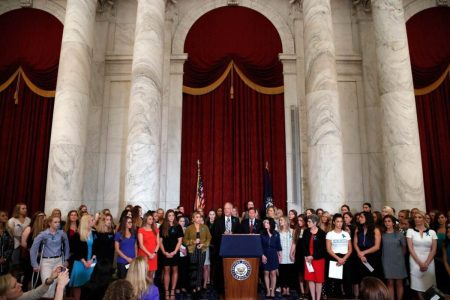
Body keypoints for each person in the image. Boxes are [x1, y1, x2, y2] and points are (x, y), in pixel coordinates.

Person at [29, 215, 70, 298]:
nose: (58, 224)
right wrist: (34, 264)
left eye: (59, 222)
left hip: (58, 260)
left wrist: (66, 259)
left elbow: (67, 246)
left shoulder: (62, 233)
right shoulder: (43, 234)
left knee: (55, 284)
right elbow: (33, 249)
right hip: (46, 262)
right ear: (49, 223)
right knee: (47, 283)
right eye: (55, 222)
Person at [406, 210, 437, 297]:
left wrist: (426, 263)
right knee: (418, 284)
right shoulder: (410, 231)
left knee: (429, 284)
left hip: (429, 261)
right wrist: (420, 263)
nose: (417, 219)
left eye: (419, 217)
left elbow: (433, 250)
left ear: (424, 219)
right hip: (415, 260)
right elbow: (410, 248)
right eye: (415, 217)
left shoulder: (432, 232)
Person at [212, 202, 240, 294]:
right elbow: (215, 236)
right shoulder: (218, 221)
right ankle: (221, 289)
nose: (226, 210)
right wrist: (223, 234)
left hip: (233, 250)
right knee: (221, 270)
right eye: (225, 208)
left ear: (232, 210)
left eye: (228, 208)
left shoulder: (236, 220)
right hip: (221, 250)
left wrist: (233, 235)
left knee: (232, 269)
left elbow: (240, 235)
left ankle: (232, 287)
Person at [69, 214, 97, 300]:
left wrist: (91, 260)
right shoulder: (77, 235)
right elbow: (76, 251)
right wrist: (84, 262)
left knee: (90, 285)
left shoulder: (94, 233)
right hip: (80, 262)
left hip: (91, 262)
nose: (93, 222)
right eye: (92, 220)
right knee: (78, 284)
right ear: (86, 222)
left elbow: (96, 248)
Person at [184, 212, 211, 297]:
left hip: (202, 250)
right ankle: (193, 287)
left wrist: (203, 244)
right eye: (197, 217)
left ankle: (199, 286)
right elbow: (185, 241)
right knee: (193, 269)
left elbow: (209, 238)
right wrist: (193, 242)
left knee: (200, 268)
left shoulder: (205, 227)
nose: (199, 219)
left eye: (200, 217)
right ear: (193, 219)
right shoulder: (189, 228)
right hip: (192, 250)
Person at [326, 214, 352, 298]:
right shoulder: (330, 234)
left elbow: (350, 249)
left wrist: (343, 259)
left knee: (347, 280)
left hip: (345, 258)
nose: (340, 223)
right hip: (334, 258)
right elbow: (329, 249)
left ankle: (348, 297)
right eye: (338, 221)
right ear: (334, 222)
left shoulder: (346, 234)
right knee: (336, 281)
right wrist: (338, 259)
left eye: (341, 221)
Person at [0, 265, 64, 300]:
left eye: (17, 282)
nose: (21, 285)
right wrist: (60, 287)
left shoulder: (19, 297)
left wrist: (51, 278)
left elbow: (35, 293)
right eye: (14, 286)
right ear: (2, 297)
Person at [381, 215, 407, 300]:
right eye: (385, 221)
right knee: (389, 282)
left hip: (399, 261)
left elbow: (404, 248)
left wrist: (398, 257)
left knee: (399, 282)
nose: (387, 223)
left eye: (389, 221)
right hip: (386, 261)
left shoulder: (400, 234)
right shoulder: (382, 235)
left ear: (393, 223)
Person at [159, 209, 183, 299]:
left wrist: (175, 252)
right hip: (165, 252)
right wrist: (164, 252)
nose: (171, 217)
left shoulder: (178, 227)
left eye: (173, 215)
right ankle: (166, 291)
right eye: (169, 215)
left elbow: (180, 241)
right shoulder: (162, 227)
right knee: (167, 271)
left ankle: (172, 290)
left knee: (175, 270)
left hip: (175, 252)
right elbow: (160, 241)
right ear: (166, 217)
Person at [353, 211, 382, 283]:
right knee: (362, 277)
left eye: (361, 217)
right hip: (360, 255)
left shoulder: (376, 230)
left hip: (372, 256)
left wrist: (363, 252)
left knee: (371, 277)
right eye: (359, 217)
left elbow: (377, 246)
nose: (359, 218)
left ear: (368, 218)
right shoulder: (358, 229)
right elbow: (355, 243)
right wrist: (359, 253)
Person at [303, 214, 326, 300]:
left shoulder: (322, 233)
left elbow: (323, 249)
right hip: (308, 259)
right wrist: (308, 256)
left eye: (309, 221)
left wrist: (313, 256)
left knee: (318, 280)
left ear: (315, 223)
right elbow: (304, 246)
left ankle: (318, 298)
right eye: (307, 221)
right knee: (310, 279)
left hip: (318, 259)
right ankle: (313, 298)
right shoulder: (306, 232)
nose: (307, 223)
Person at [260, 218, 281, 299]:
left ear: (271, 224)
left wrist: (280, 256)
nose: (265, 223)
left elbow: (278, 246)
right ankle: (268, 290)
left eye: (267, 222)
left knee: (273, 273)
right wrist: (262, 255)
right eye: (265, 222)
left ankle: (272, 291)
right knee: (266, 273)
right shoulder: (261, 233)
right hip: (265, 254)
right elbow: (260, 245)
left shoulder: (276, 233)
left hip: (273, 255)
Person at [7, 203, 30, 269]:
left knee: (24, 263)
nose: (25, 210)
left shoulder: (28, 219)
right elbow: (10, 233)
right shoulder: (12, 220)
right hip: (15, 243)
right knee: (14, 263)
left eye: (26, 208)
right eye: (23, 208)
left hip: (26, 243)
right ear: (18, 210)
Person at [137, 212, 159, 277]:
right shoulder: (141, 230)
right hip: (144, 254)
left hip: (153, 254)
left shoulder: (156, 230)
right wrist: (149, 254)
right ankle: (143, 287)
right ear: (145, 219)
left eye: (152, 219)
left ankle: (150, 287)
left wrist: (154, 253)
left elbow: (158, 243)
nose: (151, 220)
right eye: (150, 219)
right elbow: (141, 245)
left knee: (151, 274)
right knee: (144, 274)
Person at [278, 216, 295, 297]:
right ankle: (283, 289)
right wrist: (279, 254)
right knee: (282, 272)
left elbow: (294, 243)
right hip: (281, 255)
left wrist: (292, 254)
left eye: (281, 220)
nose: (280, 221)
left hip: (289, 255)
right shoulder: (278, 232)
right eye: (279, 220)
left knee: (289, 272)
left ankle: (288, 289)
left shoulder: (292, 231)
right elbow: (277, 244)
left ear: (286, 221)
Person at [293, 214, 307, 300]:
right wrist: (292, 253)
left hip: (306, 254)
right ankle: (302, 292)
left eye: (301, 220)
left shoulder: (308, 230)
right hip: (298, 254)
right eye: (298, 220)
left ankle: (307, 291)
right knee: (300, 273)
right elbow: (294, 242)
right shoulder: (297, 230)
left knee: (307, 273)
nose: (299, 222)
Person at [0, 211, 14, 276]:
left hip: (6, 261)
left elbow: (11, 246)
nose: (5, 217)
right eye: (3, 216)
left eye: (6, 215)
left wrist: (5, 258)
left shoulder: (9, 230)